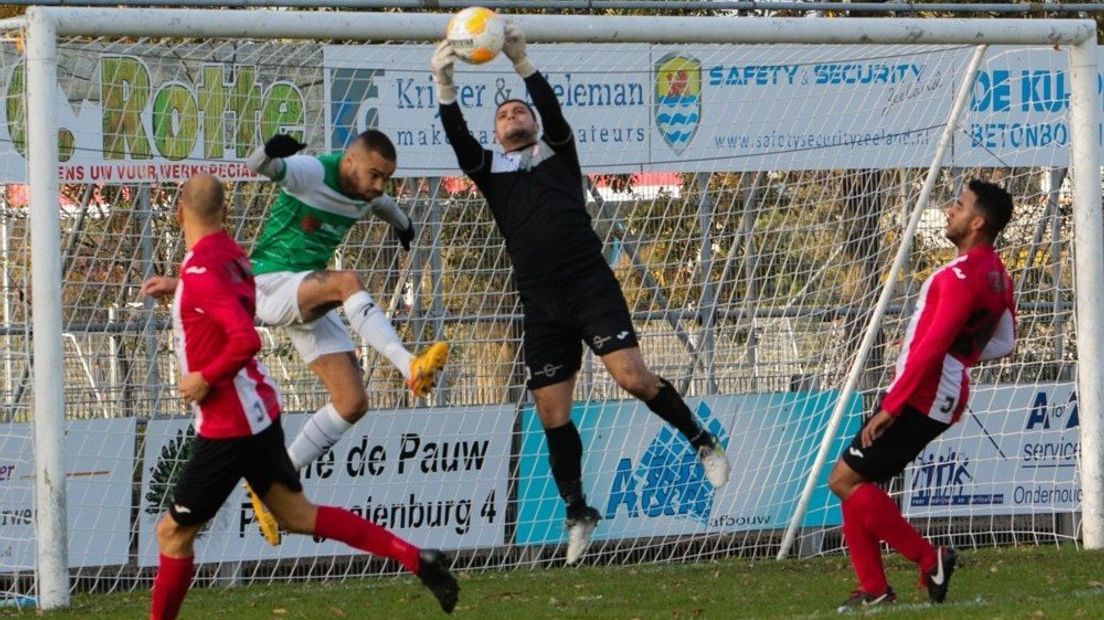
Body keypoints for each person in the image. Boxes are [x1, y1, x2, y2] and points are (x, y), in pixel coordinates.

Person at [430, 23, 732, 566]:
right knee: (551, 413)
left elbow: (550, 106)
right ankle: (577, 511)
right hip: (539, 302)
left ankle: (701, 442)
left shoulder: (558, 154)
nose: (512, 116)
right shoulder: (490, 173)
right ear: (496, 135)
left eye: (519, 111)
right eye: (503, 116)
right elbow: (457, 138)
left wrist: (523, 63)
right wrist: (444, 82)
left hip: (589, 284)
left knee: (632, 377)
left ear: (535, 123)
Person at [142, 174, 459, 619]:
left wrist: (204, 379)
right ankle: (415, 557)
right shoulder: (230, 255)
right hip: (259, 414)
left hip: (228, 426)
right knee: (296, 515)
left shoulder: (199, 272)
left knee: (172, 534)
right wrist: (180, 293)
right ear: (226, 214)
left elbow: (245, 340)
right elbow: (232, 298)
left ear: (179, 214)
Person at [828, 179, 1016, 611]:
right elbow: (1005, 342)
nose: (950, 210)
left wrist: (891, 407)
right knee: (855, 481)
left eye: (960, 205)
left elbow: (933, 346)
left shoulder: (959, 276)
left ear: (978, 222)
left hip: (922, 394)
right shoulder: (998, 276)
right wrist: (961, 358)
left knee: (843, 480)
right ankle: (874, 587)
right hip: (943, 392)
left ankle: (930, 559)